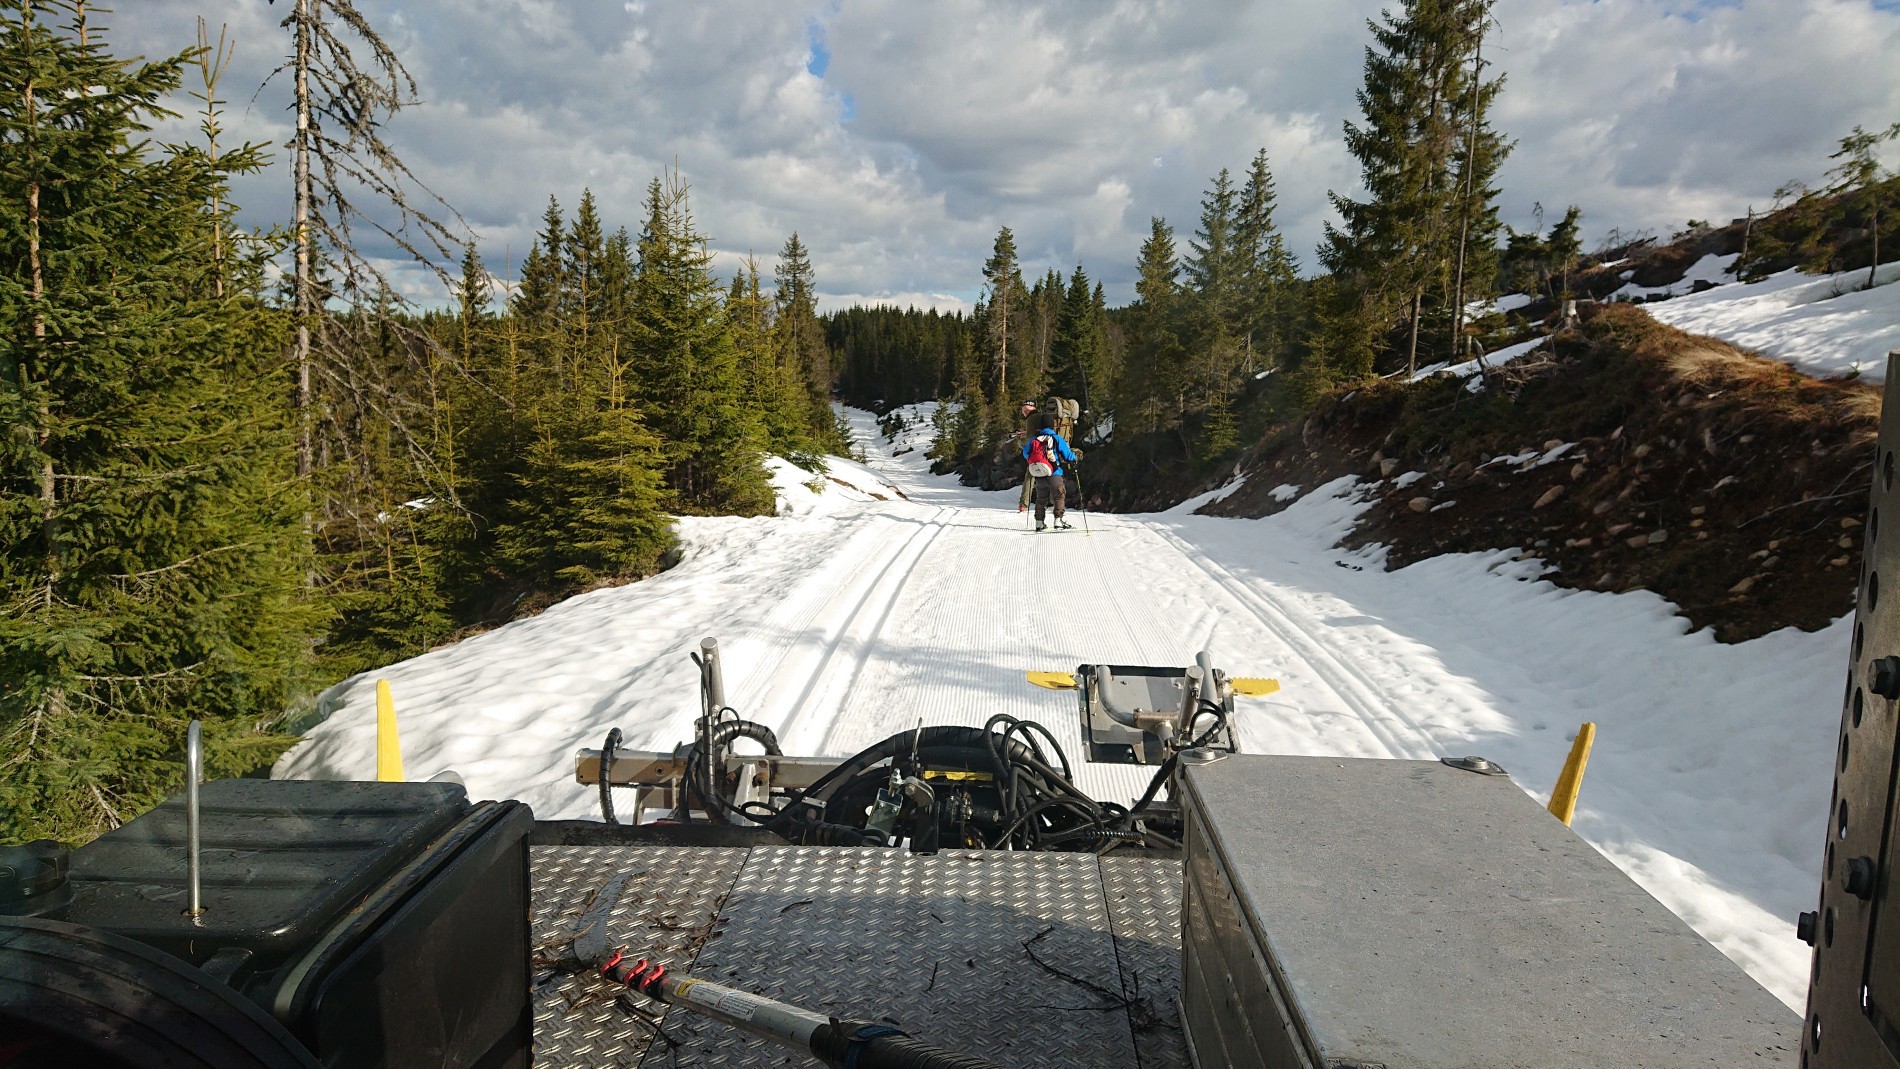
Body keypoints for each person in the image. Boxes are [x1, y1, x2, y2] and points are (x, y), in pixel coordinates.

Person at [1021, 412, 1077, 531]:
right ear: (1052, 426)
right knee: (1059, 495)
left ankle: (1039, 523)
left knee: (1041, 498)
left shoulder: (1033, 439)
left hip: (1039, 473)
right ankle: (1058, 521)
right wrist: (1074, 458)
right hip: (1054, 473)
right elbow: (1068, 455)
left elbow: (1025, 453)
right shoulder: (1056, 438)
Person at [1014, 400, 1038, 512]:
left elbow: (1030, 439)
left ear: (1033, 408)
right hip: (1049, 450)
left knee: (1029, 477)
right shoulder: (1042, 417)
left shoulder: (1031, 419)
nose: (1025, 412)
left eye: (1027, 410)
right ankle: (1055, 503)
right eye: (1024, 410)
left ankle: (1023, 504)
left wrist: (1020, 441)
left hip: (1036, 453)